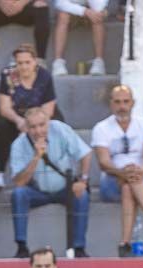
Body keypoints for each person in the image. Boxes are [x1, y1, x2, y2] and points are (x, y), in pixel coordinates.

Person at [92, 84, 143, 257]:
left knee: (129, 187)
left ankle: (125, 243)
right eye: (118, 102)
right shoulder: (101, 128)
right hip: (112, 180)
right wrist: (122, 172)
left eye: (126, 102)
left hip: (140, 178)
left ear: (133, 103)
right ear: (111, 103)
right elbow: (104, 162)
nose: (122, 106)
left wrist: (139, 171)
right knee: (129, 181)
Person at [9, 107, 91, 258]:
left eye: (42, 125)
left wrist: (83, 180)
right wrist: (35, 158)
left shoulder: (60, 129)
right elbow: (19, 182)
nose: (38, 130)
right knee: (18, 194)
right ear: (27, 128)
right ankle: (21, 247)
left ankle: (79, 247)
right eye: (33, 127)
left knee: (82, 195)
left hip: (64, 189)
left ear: (48, 123)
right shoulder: (18, 145)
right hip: (37, 191)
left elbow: (85, 153)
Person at [0, 44, 57, 190]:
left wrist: (34, 123)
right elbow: (4, 107)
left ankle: (52, 168)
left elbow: (49, 107)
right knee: (1, 125)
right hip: (14, 113)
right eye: (20, 63)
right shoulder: (8, 75)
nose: (24, 66)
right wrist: (19, 121)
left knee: (57, 123)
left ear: (35, 62)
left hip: (38, 112)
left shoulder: (44, 76)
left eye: (28, 62)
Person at [51, 1, 107, 77]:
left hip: (90, 11)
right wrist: (84, 11)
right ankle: (58, 62)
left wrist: (89, 11)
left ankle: (99, 61)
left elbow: (99, 6)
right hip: (70, 11)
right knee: (63, 16)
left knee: (98, 15)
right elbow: (60, 4)